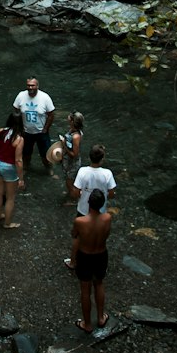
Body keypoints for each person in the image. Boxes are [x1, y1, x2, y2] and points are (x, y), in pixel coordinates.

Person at [72, 188, 112, 331]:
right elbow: (107, 234)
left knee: (85, 289)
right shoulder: (107, 218)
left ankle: (87, 324)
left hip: (85, 255)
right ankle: (101, 317)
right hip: (101, 254)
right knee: (99, 284)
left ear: (88, 203)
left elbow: (74, 234)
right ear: (102, 204)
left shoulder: (80, 221)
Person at [12, 76, 55, 173]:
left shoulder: (45, 97)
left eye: (32, 85)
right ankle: (26, 167)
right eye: (28, 85)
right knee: (26, 153)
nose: (30, 88)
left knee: (46, 154)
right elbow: (15, 110)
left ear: (37, 86)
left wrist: (46, 128)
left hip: (41, 132)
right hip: (26, 132)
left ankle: (49, 169)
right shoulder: (21, 96)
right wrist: (19, 127)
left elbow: (51, 115)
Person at [0, 110, 25, 229]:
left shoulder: (0, 132)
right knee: (10, 197)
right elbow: (18, 160)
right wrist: (21, 178)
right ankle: (8, 223)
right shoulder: (19, 139)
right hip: (9, 167)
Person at [73, 143, 117, 217]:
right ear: (102, 159)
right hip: (100, 210)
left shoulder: (82, 171)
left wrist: (83, 194)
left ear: (89, 158)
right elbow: (112, 194)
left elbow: (75, 192)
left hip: (83, 209)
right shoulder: (107, 173)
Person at [60, 112, 85, 202]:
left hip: (72, 163)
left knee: (69, 183)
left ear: (73, 122)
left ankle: (75, 200)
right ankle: (73, 194)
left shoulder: (76, 136)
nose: (68, 117)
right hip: (67, 160)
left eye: (70, 117)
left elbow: (75, 155)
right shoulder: (72, 130)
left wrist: (64, 145)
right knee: (70, 181)